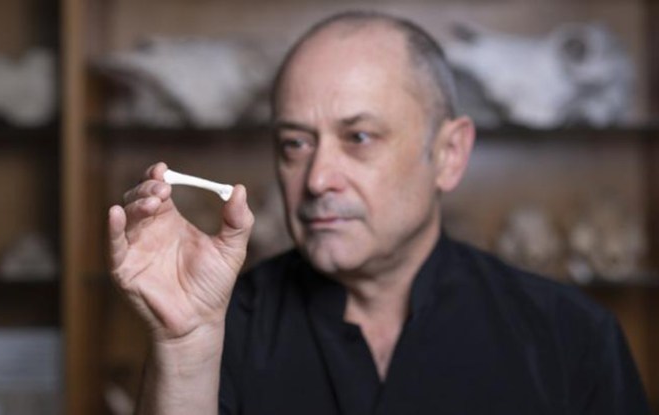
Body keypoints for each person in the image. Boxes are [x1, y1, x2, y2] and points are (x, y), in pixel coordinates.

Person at [108, 10, 651, 415]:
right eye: (295, 143)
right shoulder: (222, 324)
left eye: (359, 137)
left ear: (449, 154)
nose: (316, 179)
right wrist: (184, 348)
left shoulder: (570, 338)